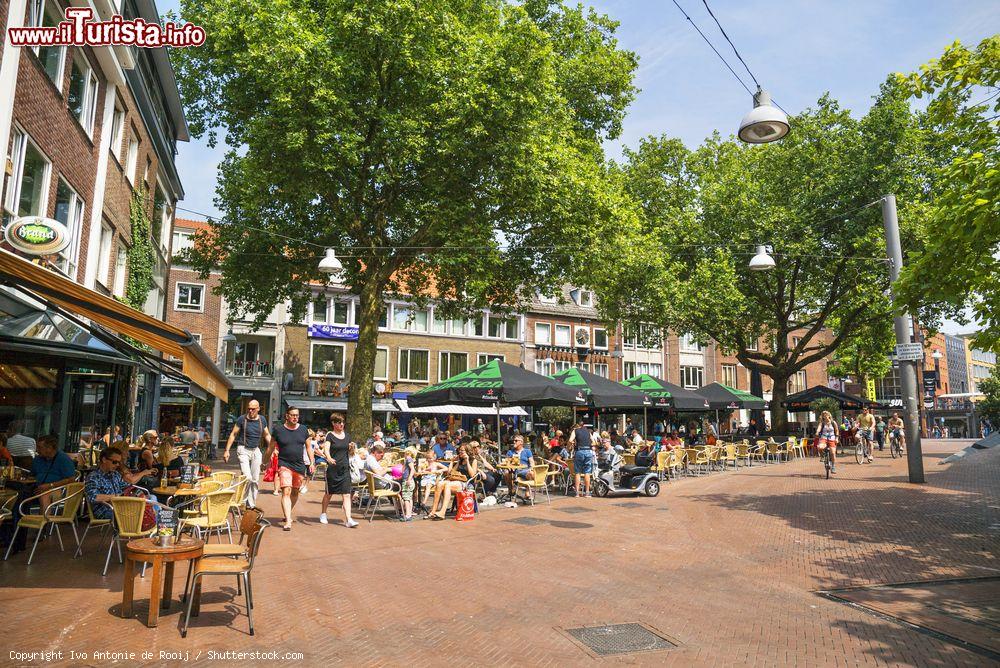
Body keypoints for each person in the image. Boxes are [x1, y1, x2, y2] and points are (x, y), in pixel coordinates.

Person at [263, 406, 315, 531]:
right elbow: (270, 447)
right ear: (287, 416)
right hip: (284, 464)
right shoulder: (278, 430)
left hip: (299, 465)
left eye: (297, 415)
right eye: (292, 415)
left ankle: (288, 513)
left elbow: (309, 448)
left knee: (295, 492)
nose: (295, 417)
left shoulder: (303, 430)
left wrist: (312, 463)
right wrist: (265, 462)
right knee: (286, 491)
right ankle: (288, 521)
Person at [84, 448, 157, 519]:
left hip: (122, 505)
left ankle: (158, 526)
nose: (118, 465)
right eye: (115, 462)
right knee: (143, 511)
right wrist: (116, 497)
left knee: (152, 499)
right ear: (104, 460)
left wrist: (138, 495)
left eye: (119, 462)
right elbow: (93, 497)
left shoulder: (115, 474)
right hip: (106, 509)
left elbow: (127, 488)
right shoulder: (93, 477)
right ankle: (157, 527)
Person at [223, 400, 271, 509]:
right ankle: (243, 502)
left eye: (253, 409)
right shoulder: (242, 419)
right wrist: (227, 450)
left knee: (255, 479)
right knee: (247, 477)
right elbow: (233, 434)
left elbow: (267, 435)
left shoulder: (262, 419)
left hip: (255, 450)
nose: (250, 411)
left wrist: (274, 448)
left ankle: (251, 505)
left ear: (258, 409)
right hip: (243, 449)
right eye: (249, 408)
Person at [320, 413, 357, 528]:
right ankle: (323, 514)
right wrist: (329, 458)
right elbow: (326, 449)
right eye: (339, 422)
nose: (341, 424)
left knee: (346, 494)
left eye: (342, 422)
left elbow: (350, 453)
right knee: (329, 494)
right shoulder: (330, 435)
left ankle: (349, 519)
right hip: (333, 469)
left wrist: (352, 449)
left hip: (345, 468)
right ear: (333, 423)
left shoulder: (347, 436)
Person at [31, 435, 78, 512]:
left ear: (49, 448)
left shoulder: (63, 459)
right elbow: (32, 474)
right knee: (20, 494)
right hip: (37, 488)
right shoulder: (38, 459)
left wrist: (50, 486)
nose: (37, 450)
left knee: (45, 494)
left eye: (39, 447)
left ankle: (44, 522)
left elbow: (71, 479)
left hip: (59, 490)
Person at [428, 444, 477, 518]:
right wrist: (452, 461)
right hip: (456, 481)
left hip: (466, 483)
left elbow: (473, 475)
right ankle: (433, 511)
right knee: (440, 484)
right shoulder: (460, 461)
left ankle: (442, 512)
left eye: (462, 450)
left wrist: (467, 462)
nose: (460, 452)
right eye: (459, 450)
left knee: (448, 485)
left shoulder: (473, 460)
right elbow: (450, 473)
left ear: (467, 451)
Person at [568, 420, 593, 497]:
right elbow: (593, 441)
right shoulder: (588, 431)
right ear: (583, 425)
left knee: (577, 472)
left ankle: (577, 493)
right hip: (588, 451)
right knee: (587, 472)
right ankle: (587, 492)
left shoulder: (575, 431)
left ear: (577, 425)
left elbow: (570, 440)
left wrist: (571, 445)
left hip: (580, 451)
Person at [398, 446, 417, 522]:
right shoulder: (408, 460)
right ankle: (409, 513)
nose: (404, 454)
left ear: (407, 453)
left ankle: (407, 515)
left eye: (404, 453)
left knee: (406, 498)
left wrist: (408, 479)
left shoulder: (409, 459)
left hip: (407, 481)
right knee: (409, 498)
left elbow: (412, 470)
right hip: (409, 481)